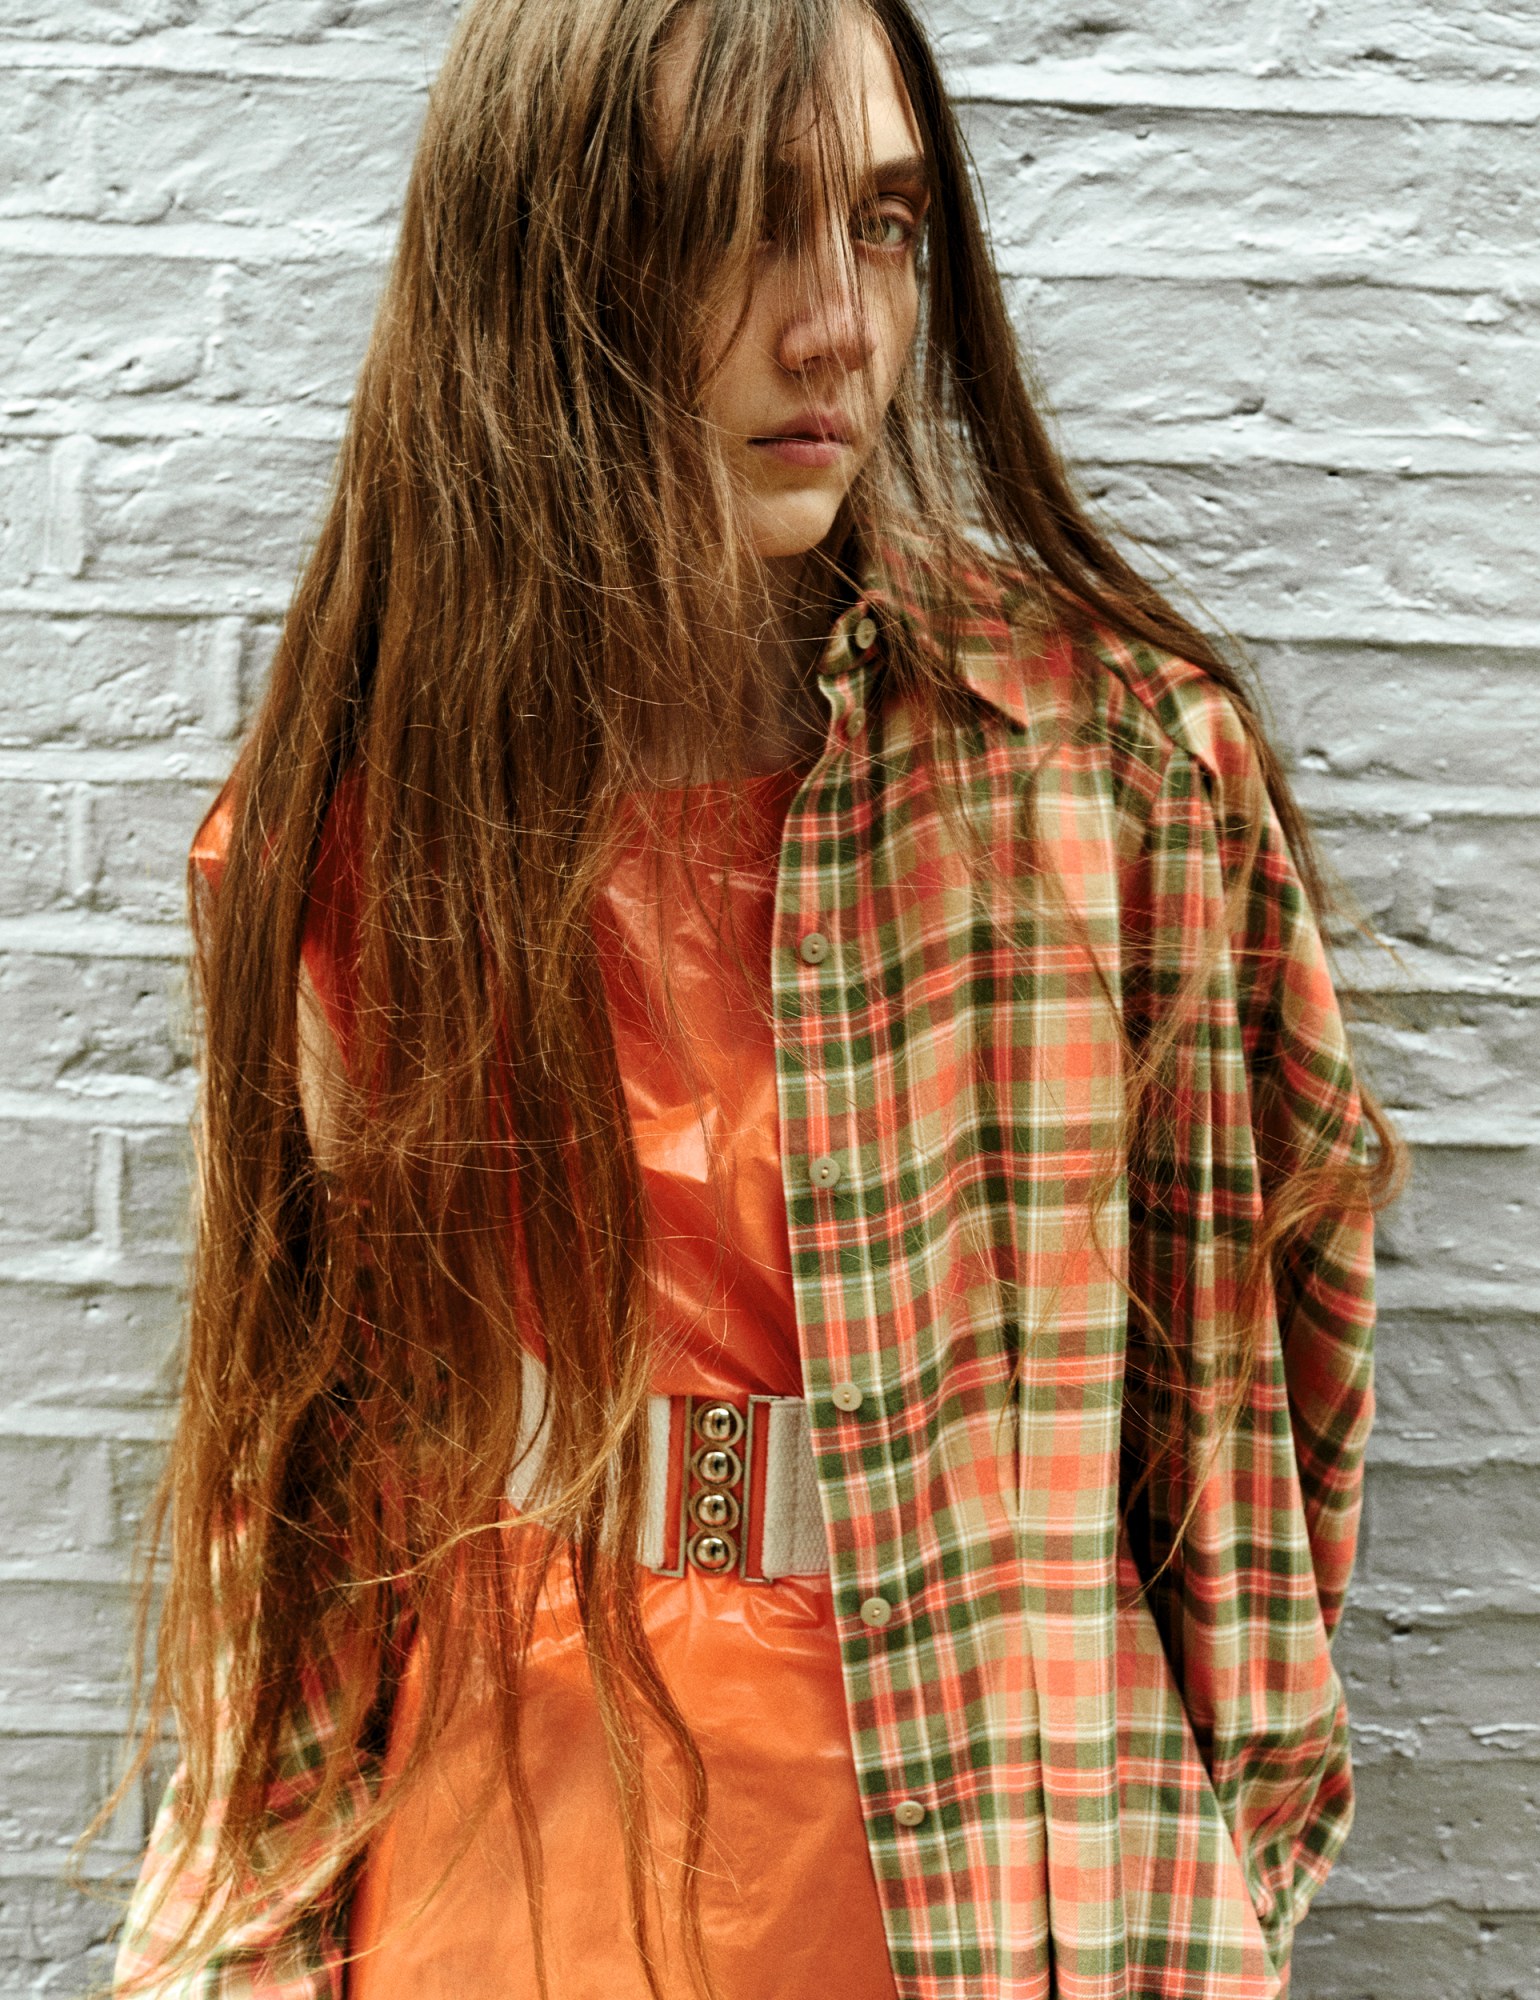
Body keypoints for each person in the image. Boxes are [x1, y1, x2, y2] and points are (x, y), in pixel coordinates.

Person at [102, 0, 1396, 1994]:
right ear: (551, 256)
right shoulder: (358, 836)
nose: (834, 324)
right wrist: (247, 1933)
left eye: (879, 223)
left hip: (987, 1838)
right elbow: (301, 1487)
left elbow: (1267, 1366)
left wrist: (1198, 1858)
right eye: (741, 221)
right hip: (514, 1818)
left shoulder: (1110, 777)